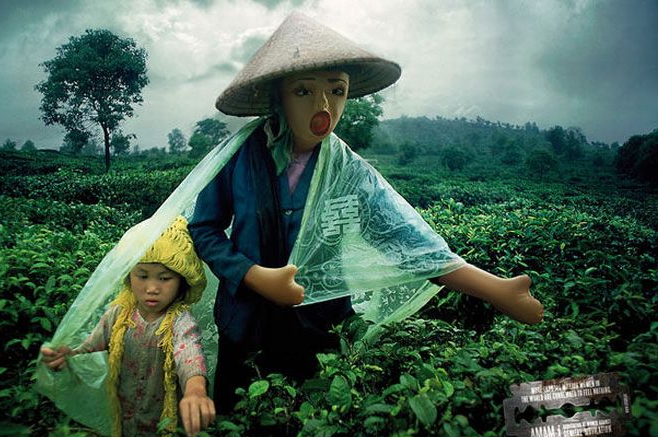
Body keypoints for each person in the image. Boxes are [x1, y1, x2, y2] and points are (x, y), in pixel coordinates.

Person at [189, 12, 543, 414]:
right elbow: (204, 228)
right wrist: (252, 275)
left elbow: (407, 242)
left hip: (319, 331)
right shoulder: (240, 157)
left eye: (336, 90)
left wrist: (495, 288)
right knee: (240, 426)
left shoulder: (350, 171)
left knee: (315, 427)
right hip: (245, 327)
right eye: (304, 91)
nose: (324, 105)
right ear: (278, 97)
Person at [41, 216, 215, 437]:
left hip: (159, 428)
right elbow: (90, 348)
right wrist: (67, 356)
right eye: (142, 275)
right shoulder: (118, 315)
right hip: (120, 420)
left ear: (182, 283)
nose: (151, 287)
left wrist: (196, 390)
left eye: (164, 278)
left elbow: (190, 355)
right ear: (129, 276)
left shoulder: (179, 322)